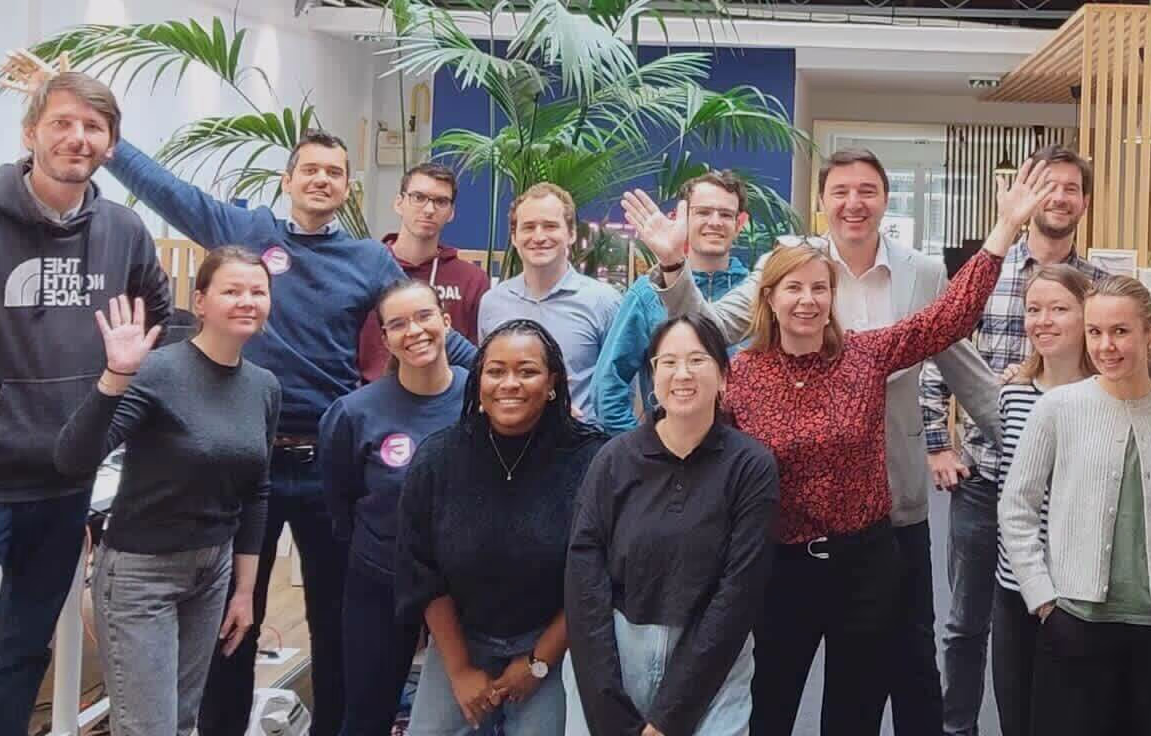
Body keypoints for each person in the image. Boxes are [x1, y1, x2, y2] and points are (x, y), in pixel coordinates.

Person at [622, 159, 1050, 736]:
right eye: (793, 289)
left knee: (854, 711)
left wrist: (1004, 231)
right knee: (770, 705)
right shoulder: (741, 374)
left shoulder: (865, 357)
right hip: (776, 568)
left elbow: (949, 318)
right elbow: (686, 392)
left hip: (865, 564)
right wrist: (673, 262)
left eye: (819, 289)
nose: (807, 301)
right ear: (768, 299)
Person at [100, 125, 405, 736]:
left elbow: (417, 321)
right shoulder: (246, 233)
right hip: (244, 459)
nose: (322, 179)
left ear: (347, 189)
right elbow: (169, 191)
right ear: (288, 180)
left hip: (329, 464)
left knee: (335, 620)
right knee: (232, 620)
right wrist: (111, 143)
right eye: (310, 169)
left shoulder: (369, 258)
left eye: (335, 173)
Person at [0, 71, 173, 736]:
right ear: (31, 133)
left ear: (110, 145)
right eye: (63, 123)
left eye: (93, 128)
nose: (77, 138)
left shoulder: (125, 232)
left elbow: (161, 328)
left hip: (64, 484)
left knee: (24, 650)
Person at [54, 249, 280, 736]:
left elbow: (256, 491)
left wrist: (244, 591)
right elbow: (72, 459)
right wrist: (116, 375)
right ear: (200, 301)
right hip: (142, 574)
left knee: (179, 723)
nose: (247, 300)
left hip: (213, 572)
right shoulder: (157, 371)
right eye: (232, 290)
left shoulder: (264, 386)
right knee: (147, 728)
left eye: (257, 292)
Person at [1000, 275, 1151, 736]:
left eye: (1120, 331)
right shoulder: (1058, 409)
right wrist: (1042, 597)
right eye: (1095, 332)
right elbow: (1017, 507)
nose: (1106, 346)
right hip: (1076, 621)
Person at [924, 144, 1099, 736]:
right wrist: (936, 443)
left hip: (1070, 485)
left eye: (1071, 188)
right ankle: (958, 727)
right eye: (1048, 186)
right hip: (985, 475)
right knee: (968, 620)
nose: (1060, 197)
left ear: (1085, 202)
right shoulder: (986, 271)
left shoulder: (1099, 285)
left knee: (1060, 611)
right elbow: (936, 351)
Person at [568, 315, 779, 736]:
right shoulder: (613, 459)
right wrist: (608, 710)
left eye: (697, 360)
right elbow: (584, 578)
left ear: (724, 377)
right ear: (652, 376)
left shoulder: (751, 465)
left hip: (713, 656)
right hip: (616, 651)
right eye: (668, 362)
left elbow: (739, 592)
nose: (682, 374)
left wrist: (668, 721)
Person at [396, 320, 609, 736]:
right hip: (461, 638)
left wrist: (538, 662)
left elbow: (595, 575)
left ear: (552, 384)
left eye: (527, 371)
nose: (509, 383)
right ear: (477, 383)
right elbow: (420, 569)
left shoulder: (591, 460)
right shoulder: (438, 458)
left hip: (553, 642)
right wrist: (459, 670)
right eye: (495, 371)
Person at [323, 282, 474, 736]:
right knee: (366, 713)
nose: (415, 331)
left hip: (466, 589)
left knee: (468, 713)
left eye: (425, 317)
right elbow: (340, 503)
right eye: (398, 324)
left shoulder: (482, 399)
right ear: (384, 339)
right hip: (379, 581)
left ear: (446, 322)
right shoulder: (353, 414)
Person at [988, 265, 1094, 736]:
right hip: (1015, 585)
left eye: (1058, 309)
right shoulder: (1012, 393)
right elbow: (1012, 494)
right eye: (1033, 309)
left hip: (1081, 589)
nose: (1043, 321)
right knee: (1017, 714)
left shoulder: (1106, 397)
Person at [593, 171, 752, 432]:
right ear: (681, 218)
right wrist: (640, 449)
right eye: (703, 212)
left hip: (743, 460)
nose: (715, 222)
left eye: (725, 214)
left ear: (740, 222)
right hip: (667, 455)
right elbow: (609, 382)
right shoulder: (648, 292)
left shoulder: (758, 293)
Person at [478, 183, 622, 422]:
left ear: (572, 234)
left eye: (550, 226)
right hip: (508, 447)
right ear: (514, 237)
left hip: (580, 450)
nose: (539, 236)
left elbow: (618, 388)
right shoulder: (492, 303)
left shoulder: (605, 302)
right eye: (528, 227)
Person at [356, 164, 491, 382]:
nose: (429, 210)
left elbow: (478, 358)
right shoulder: (365, 267)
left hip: (446, 404)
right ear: (399, 203)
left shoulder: (472, 279)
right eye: (418, 197)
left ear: (451, 213)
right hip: (371, 401)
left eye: (441, 201)